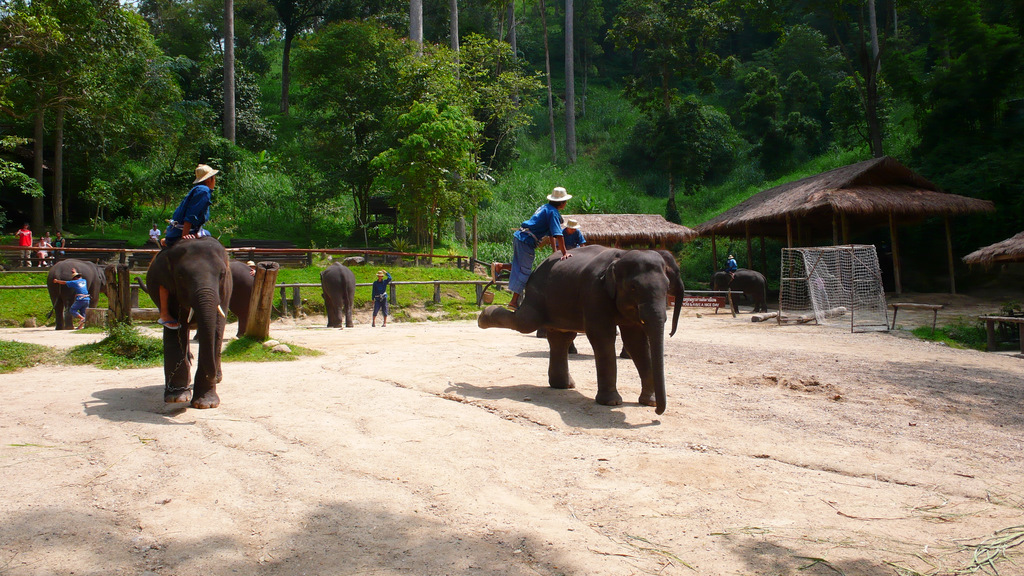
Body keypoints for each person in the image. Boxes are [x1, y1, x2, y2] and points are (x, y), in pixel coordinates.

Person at [157, 163, 219, 330]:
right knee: (169, 269)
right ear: (210, 179)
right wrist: (184, 236)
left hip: (187, 230)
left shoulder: (198, 190)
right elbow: (191, 215)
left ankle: (169, 239)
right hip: (184, 230)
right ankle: (164, 313)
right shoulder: (203, 191)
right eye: (214, 178)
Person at [492, 186, 573, 310]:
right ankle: (513, 301)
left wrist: (555, 251)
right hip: (526, 240)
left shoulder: (545, 208)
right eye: (565, 201)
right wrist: (564, 253)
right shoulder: (553, 213)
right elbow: (558, 235)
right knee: (525, 271)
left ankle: (500, 266)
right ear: (562, 203)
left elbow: (552, 235)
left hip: (520, 236)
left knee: (520, 265)